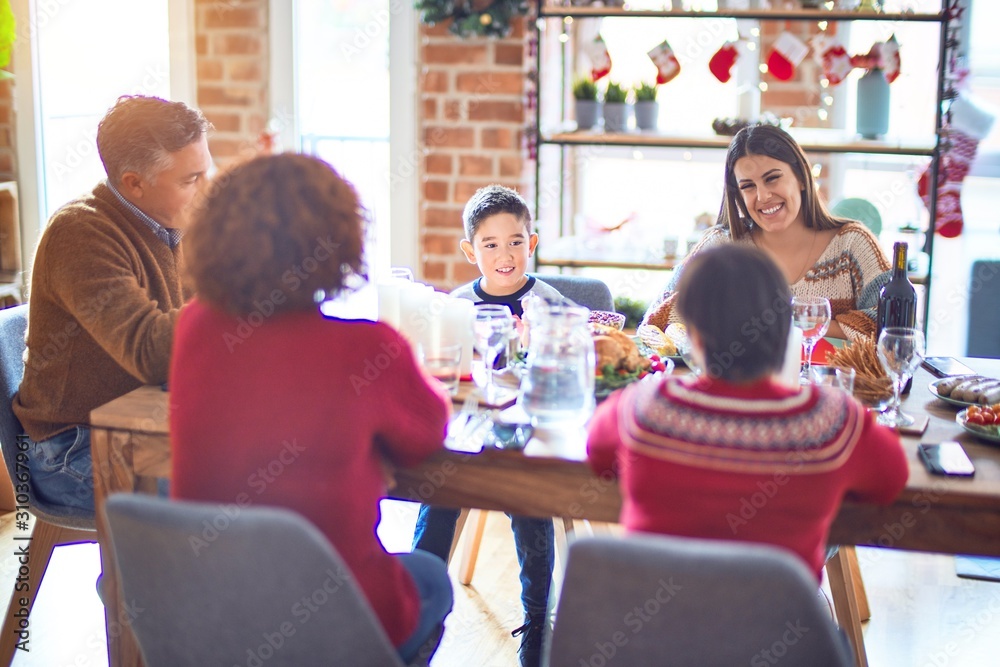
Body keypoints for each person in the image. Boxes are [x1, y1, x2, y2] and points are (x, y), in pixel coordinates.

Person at [169, 153, 453, 663]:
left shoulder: (194, 326)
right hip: (333, 613)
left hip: (214, 607)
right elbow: (427, 435)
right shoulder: (369, 349)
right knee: (431, 576)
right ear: (337, 242)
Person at [589, 244, 908, 580]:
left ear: (693, 335)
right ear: (786, 328)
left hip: (654, 627)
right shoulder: (832, 422)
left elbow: (597, 453)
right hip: (780, 629)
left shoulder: (643, 408)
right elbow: (891, 481)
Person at [13, 95, 213, 512]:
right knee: (223, 492)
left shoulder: (172, 222)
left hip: (146, 426)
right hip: (71, 449)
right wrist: (240, 289)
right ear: (134, 182)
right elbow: (151, 353)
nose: (205, 190)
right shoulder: (81, 234)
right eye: (191, 179)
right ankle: (139, 580)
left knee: (270, 466)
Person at [412, 184, 560, 667]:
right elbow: (440, 376)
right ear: (470, 251)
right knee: (438, 494)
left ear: (532, 244)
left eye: (515, 241)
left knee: (528, 501)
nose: (505, 254)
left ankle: (537, 620)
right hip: (467, 434)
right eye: (491, 244)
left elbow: (564, 374)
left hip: (527, 436)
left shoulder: (550, 304)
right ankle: (417, 611)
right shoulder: (454, 307)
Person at [643, 123, 891, 342]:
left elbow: (892, 327)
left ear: (802, 178)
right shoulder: (721, 246)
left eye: (772, 179)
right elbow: (658, 322)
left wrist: (789, 323)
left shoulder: (852, 244)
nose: (763, 196)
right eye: (748, 186)